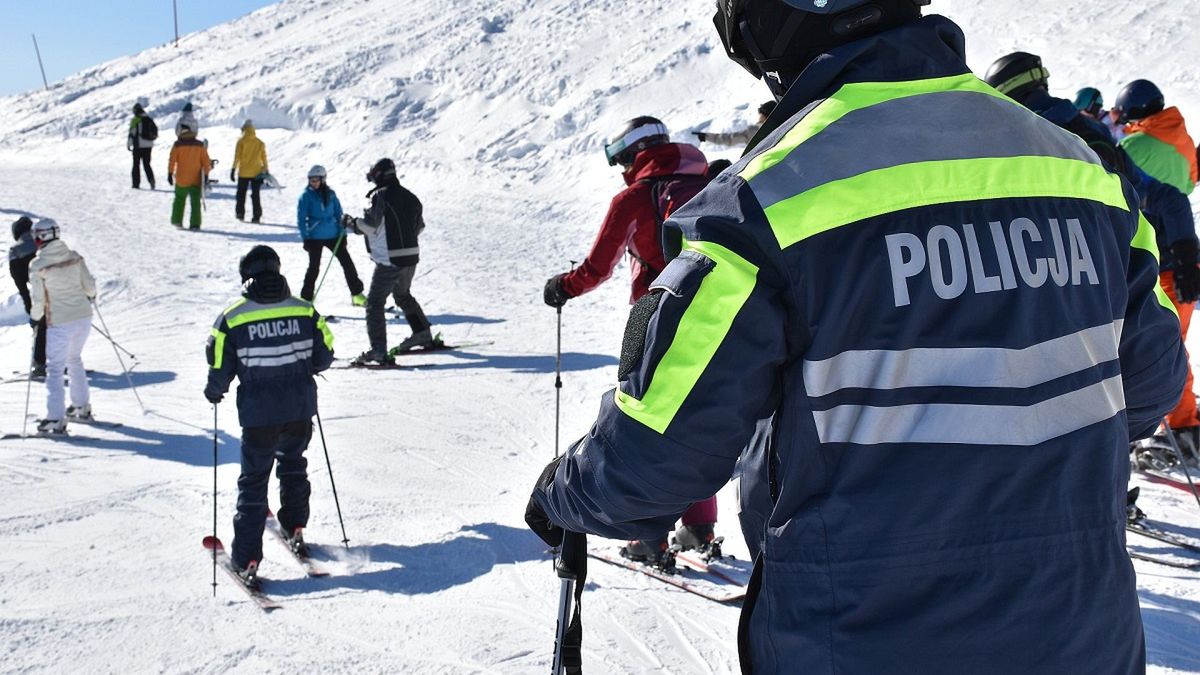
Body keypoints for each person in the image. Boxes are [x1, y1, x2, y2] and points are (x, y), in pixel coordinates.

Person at [525, 1, 1187, 672]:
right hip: (1085, 636)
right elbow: (1154, 379)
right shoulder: (1084, 172)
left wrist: (564, 491)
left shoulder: (767, 198)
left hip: (866, 638)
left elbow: (656, 454)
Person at [986, 53, 1200, 456]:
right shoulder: (1090, 132)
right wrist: (1185, 251)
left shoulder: (1014, 131)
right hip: (1114, 272)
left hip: (1051, 280)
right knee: (1127, 371)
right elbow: (1161, 194)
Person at [542, 117, 720, 564]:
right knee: (702, 418)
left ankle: (650, 536)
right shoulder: (713, 179)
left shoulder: (635, 197)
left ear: (630, 153)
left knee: (649, 423)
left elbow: (598, 267)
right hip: (721, 313)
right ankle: (700, 527)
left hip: (658, 320)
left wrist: (563, 286)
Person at [204, 245, 334, 586]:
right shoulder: (305, 310)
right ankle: (295, 526)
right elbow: (324, 357)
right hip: (300, 407)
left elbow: (219, 362)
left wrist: (214, 391)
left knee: (254, 481)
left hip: (259, 414)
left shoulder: (233, 316)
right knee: (293, 464)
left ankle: (247, 558)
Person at [341, 158, 433, 364]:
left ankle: (378, 351)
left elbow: (370, 226)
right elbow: (420, 227)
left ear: (379, 176)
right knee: (402, 294)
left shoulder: (380, 196)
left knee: (374, 303)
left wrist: (350, 223)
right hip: (411, 257)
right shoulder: (411, 197)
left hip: (391, 259)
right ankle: (422, 333)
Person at [28, 219, 96, 434]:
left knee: (55, 368)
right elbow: (90, 287)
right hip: (83, 317)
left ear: (42, 237)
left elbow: (38, 300)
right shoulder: (74, 256)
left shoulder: (38, 265)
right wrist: (88, 297)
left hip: (60, 321)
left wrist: (35, 317)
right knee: (74, 359)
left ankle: (55, 418)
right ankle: (81, 407)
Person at [1114, 79, 1198, 196]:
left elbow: (1109, 178)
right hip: (1178, 210)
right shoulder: (1186, 141)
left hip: (1141, 212)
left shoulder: (1132, 145)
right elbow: (1190, 184)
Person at [297, 165, 366, 304]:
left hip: (334, 235)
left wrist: (343, 233)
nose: (313, 183)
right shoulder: (305, 196)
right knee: (314, 268)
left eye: (316, 180)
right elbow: (301, 218)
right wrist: (306, 238)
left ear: (323, 179)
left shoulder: (331, 194)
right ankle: (306, 299)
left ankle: (357, 294)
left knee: (347, 264)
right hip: (315, 236)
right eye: (311, 180)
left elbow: (339, 214)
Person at [8, 216, 46, 377]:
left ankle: (39, 363)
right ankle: (57, 360)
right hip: (51, 288)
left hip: (31, 285)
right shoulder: (41, 243)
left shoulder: (15, 251)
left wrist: (30, 309)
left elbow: (21, 286)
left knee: (40, 323)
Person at [167, 123, 211, 230]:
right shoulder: (200, 145)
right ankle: (195, 224)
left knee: (179, 199)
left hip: (181, 178)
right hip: (196, 179)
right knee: (195, 202)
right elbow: (206, 162)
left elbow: (172, 160)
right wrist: (206, 174)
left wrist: (170, 173)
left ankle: (177, 220)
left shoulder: (177, 145)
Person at [692, 101, 777, 148]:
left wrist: (707, 136)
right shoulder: (784, 123)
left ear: (765, 115)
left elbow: (730, 139)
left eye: (761, 114)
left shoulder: (756, 131)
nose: (759, 117)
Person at [231, 120, 269, 223]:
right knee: (256, 195)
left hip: (243, 172)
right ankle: (256, 216)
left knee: (241, 194)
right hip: (257, 173)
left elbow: (237, 157)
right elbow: (264, 158)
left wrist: (233, 169)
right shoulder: (260, 142)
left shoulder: (241, 141)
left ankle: (240, 213)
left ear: (244, 129)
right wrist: (266, 170)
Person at [126, 103, 157, 190]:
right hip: (149, 145)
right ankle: (151, 180)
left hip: (138, 145)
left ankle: (136, 184)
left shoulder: (135, 120)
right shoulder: (149, 119)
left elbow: (132, 133)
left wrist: (129, 144)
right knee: (147, 164)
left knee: (136, 164)